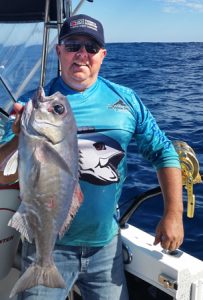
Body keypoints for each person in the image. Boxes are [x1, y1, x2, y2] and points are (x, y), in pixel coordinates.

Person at [0, 14, 184, 300]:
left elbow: (163, 152)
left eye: (91, 47)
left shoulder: (126, 100)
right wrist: (19, 137)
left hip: (106, 249)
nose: (82, 54)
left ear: (103, 55)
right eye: (73, 45)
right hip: (47, 246)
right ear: (59, 51)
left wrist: (173, 213)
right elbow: (2, 172)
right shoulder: (32, 105)